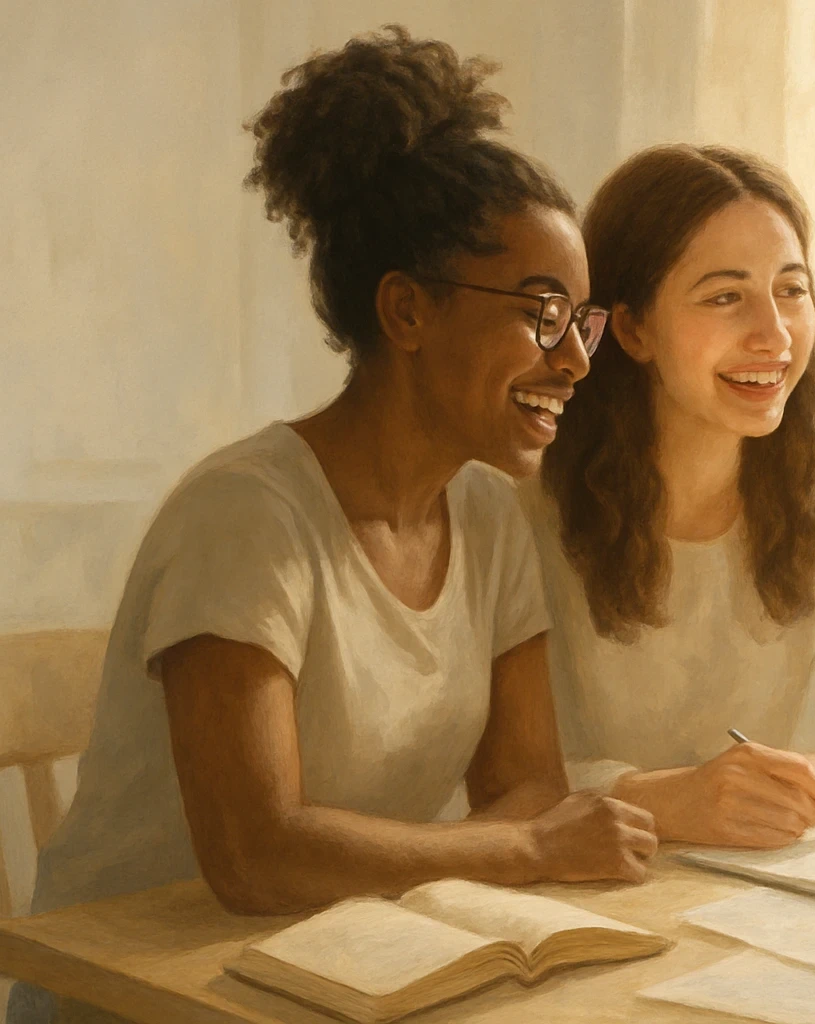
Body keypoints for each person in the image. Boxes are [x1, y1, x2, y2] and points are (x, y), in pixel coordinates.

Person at [11, 26, 655, 1024]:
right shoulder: (246, 517)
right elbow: (257, 855)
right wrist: (521, 850)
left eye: (584, 321)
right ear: (405, 311)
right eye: (540, 313)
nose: (574, 360)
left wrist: (523, 835)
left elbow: (530, 787)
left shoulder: (489, 518)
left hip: (326, 973)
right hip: (135, 1001)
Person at [530, 144, 815, 850]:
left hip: (755, 884)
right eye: (725, 297)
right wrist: (669, 801)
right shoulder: (525, 498)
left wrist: (811, 780)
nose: (774, 334)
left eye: (791, 290)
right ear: (634, 327)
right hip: (570, 883)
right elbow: (488, 775)